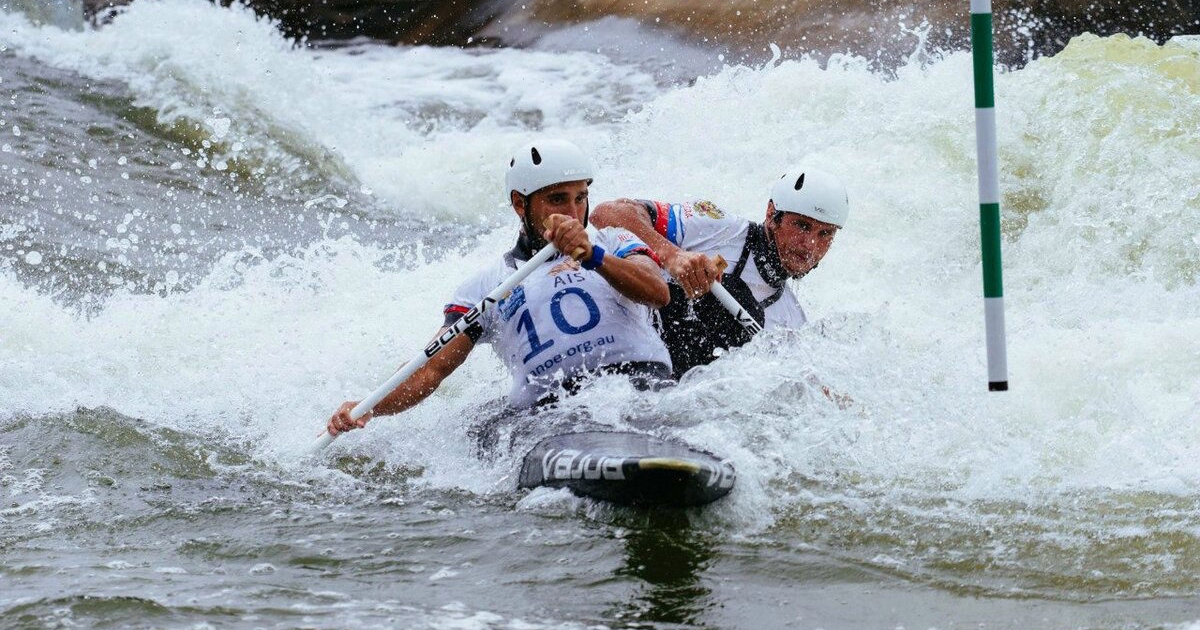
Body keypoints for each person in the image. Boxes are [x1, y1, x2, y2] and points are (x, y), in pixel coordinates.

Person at [327, 139, 673, 437]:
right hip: (552, 411)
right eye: (557, 199)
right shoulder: (486, 286)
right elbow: (432, 368)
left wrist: (593, 256)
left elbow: (657, 292)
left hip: (640, 384)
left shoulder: (613, 241)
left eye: (580, 197)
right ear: (520, 204)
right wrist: (370, 406)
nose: (572, 212)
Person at [590, 168, 848, 377]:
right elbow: (606, 213)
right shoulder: (717, 226)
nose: (810, 245)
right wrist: (672, 255)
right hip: (614, 340)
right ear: (772, 214)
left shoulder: (791, 321)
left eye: (825, 234)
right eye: (802, 226)